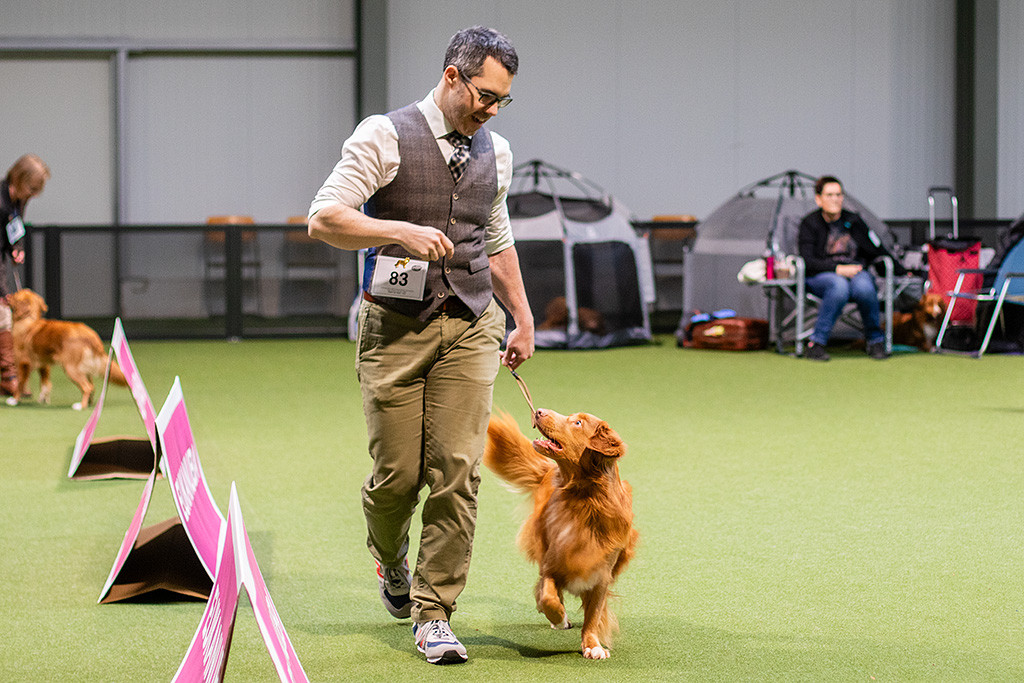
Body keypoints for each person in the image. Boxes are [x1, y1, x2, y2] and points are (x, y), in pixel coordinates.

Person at [307, 27, 534, 664]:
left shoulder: (499, 152)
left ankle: (435, 613)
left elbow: (496, 234)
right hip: (395, 326)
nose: (492, 109)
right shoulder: (383, 134)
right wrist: (398, 229)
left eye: (503, 101)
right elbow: (323, 218)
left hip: (471, 322)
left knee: (457, 472)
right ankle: (389, 559)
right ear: (453, 76)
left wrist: (522, 317)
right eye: (486, 95)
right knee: (397, 479)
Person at [797, 175, 896, 361]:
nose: (835, 199)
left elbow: (875, 250)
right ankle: (816, 343)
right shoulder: (809, 223)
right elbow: (808, 261)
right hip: (820, 276)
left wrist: (900, 269)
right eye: (829, 195)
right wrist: (837, 269)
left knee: (865, 287)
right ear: (819, 199)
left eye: (838, 194)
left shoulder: (854, 220)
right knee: (838, 286)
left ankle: (875, 341)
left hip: (855, 272)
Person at [1, 154, 50, 398]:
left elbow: (15, 228)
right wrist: (2, 290)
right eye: (31, 188)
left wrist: (17, 248)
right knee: (2, 313)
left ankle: (8, 378)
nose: (32, 194)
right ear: (18, 178)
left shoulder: (17, 200)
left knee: (3, 317)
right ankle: (8, 376)